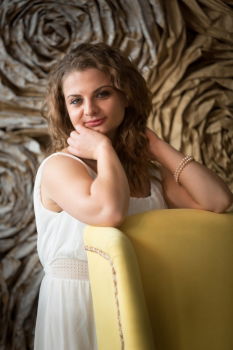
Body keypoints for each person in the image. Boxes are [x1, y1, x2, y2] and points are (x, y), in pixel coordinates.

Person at [33, 42, 233, 350]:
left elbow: (218, 201)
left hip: (140, 301)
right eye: (76, 101)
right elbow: (108, 213)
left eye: (102, 93)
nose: (89, 110)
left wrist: (156, 146)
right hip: (79, 306)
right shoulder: (59, 167)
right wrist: (102, 148)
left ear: (127, 96)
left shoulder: (150, 174)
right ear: (64, 109)